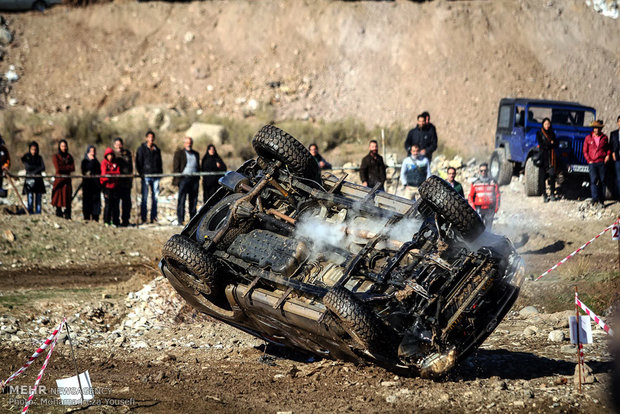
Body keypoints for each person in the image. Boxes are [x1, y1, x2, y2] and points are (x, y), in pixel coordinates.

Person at [135, 130, 163, 224]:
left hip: (155, 176)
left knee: (155, 198)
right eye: (149, 137)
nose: (151, 139)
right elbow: (138, 162)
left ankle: (153, 217)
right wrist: (141, 173)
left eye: (152, 137)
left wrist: (160, 173)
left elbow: (160, 163)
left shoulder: (157, 149)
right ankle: (144, 218)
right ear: (146, 138)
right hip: (146, 176)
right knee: (145, 198)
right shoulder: (141, 149)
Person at [173, 136, 200, 225]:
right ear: (184, 144)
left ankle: (192, 221)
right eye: (187, 142)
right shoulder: (179, 153)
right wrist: (178, 179)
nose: (189, 144)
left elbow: (198, 166)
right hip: (184, 179)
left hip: (194, 179)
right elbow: (176, 167)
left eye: (190, 142)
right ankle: (181, 220)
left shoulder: (196, 153)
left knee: (193, 200)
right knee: (182, 200)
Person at [583, 120, 610, 207]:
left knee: (602, 181)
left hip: (601, 162)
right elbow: (585, 150)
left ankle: (601, 200)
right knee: (593, 181)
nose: (596, 130)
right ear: (593, 129)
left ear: (601, 129)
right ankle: (594, 199)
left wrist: (608, 155)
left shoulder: (605, 138)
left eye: (598, 128)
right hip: (592, 163)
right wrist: (588, 160)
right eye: (595, 128)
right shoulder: (588, 138)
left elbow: (608, 148)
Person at [468, 163, 500, 229]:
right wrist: (473, 208)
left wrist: (496, 207)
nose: (483, 172)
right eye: (481, 171)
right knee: (479, 228)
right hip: (478, 208)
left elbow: (497, 195)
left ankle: (488, 239)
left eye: (485, 170)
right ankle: (480, 239)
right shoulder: (475, 183)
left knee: (488, 228)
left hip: (490, 208)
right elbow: (470, 196)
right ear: (479, 171)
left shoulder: (493, 182)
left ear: (487, 171)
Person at [536, 117, 558, 202]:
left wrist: (550, 144)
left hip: (551, 158)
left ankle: (552, 193)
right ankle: (544, 194)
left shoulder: (552, 133)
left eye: (548, 124)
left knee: (552, 176)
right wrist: (550, 143)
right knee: (542, 177)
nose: (547, 126)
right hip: (543, 158)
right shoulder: (539, 133)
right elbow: (541, 144)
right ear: (543, 125)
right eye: (545, 124)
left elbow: (555, 143)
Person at [51, 139, 75, 219]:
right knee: (58, 198)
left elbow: (72, 168)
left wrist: (64, 168)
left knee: (67, 198)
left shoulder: (69, 156)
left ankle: (68, 215)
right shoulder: (56, 156)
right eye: (62, 146)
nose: (64, 148)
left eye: (65, 146)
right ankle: (58, 214)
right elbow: (58, 168)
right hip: (59, 180)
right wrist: (66, 168)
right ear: (59, 147)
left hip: (67, 181)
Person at [21, 141, 45, 214]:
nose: (34, 151)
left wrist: (34, 170)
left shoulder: (39, 158)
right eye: (32, 149)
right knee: (30, 197)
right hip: (29, 180)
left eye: (35, 149)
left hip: (38, 180)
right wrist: (36, 169)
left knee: (38, 198)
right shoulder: (26, 157)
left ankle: (38, 213)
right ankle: (30, 212)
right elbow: (27, 167)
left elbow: (43, 167)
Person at [113, 137, 133, 226]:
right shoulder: (112, 154)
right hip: (116, 183)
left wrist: (131, 178)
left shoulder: (127, 153)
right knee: (116, 203)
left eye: (120, 144)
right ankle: (116, 221)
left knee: (126, 203)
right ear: (114, 145)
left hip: (126, 182)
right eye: (117, 144)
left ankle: (125, 221)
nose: (119, 146)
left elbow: (130, 167)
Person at [100, 147, 120, 226]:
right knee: (108, 204)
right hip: (107, 186)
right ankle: (106, 221)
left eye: (111, 155)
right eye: (108, 155)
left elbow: (118, 173)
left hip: (115, 186)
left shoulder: (115, 163)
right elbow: (104, 174)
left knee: (115, 205)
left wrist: (110, 174)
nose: (110, 157)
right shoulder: (104, 163)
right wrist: (112, 174)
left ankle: (115, 221)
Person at [81, 145, 101, 222]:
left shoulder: (97, 162)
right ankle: (86, 217)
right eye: (91, 151)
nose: (93, 153)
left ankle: (95, 217)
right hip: (87, 184)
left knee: (96, 202)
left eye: (94, 151)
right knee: (87, 201)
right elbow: (84, 171)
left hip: (96, 185)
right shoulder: (84, 161)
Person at [610, 115, 620, 200]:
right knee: (618, 178)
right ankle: (618, 197)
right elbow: (611, 145)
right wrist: (613, 153)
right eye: (619, 122)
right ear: (617, 123)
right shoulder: (613, 134)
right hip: (617, 159)